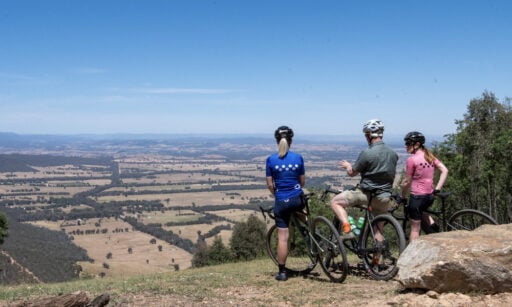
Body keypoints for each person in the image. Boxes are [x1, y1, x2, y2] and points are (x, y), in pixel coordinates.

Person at [330, 119, 398, 257]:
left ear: (368, 135)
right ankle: (375, 264)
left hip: (366, 194)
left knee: (335, 202)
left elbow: (352, 173)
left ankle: (347, 230)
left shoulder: (367, 153)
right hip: (384, 197)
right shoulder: (393, 153)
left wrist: (348, 166)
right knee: (378, 230)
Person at [266, 125, 306, 281]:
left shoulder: (271, 160)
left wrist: (279, 195)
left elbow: (270, 185)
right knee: (304, 216)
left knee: (283, 237)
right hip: (297, 198)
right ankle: (314, 238)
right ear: (291, 141)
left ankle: (282, 272)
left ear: (277, 141)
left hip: (281, 201)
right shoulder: (298, 158)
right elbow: (302, 182)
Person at [400, 131, 448, 241]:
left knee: (415, 229)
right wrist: (437, 189)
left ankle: (412, 255)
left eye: (408, 143)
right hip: (430, 196)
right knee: (423, 213)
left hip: (417, 197)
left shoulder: (411, 160)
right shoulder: (430, 157)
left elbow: (407, 182)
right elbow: (445, 170)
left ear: (416, 144)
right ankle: (436, 232)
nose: (406, 146)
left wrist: (402, 196)